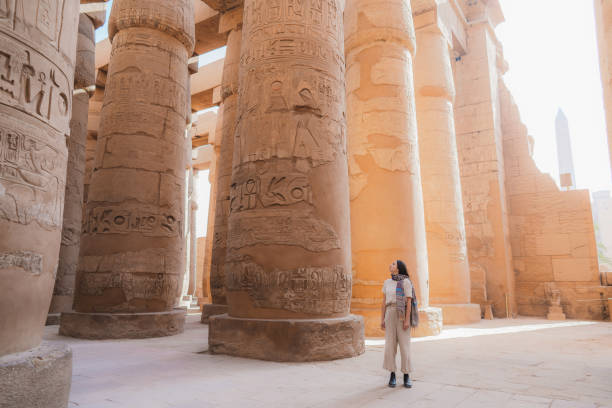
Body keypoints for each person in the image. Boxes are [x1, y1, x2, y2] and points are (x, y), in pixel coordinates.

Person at [381, 260, 413, 388]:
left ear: (399, 268)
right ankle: (392, 374)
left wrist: (406, 320)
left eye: (393, 264)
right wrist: (382, 319)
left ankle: (406, 375)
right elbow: (383, 302)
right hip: (389, 313)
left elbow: (409, 302)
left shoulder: (406, 282)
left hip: (401, 314)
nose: (390, 265)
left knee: (405, 347)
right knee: (390, 346)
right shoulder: (387, 282)